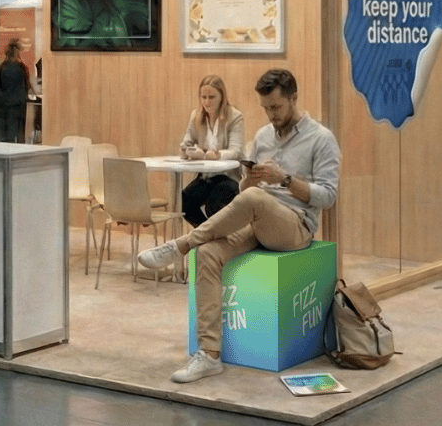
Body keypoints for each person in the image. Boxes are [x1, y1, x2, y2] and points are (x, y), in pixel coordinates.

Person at [137, 68, 340, 384]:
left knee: (255, 200)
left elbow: (327, 196)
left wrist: (284, 179)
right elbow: (245, 191)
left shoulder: (321, 139)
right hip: (257, 220)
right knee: (207, 254)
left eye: (277, 107)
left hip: (295, 226)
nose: (271, 115)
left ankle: (180, 244)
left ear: (294, 99)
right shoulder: (262, 136)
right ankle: (209, 355)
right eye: (266, 108)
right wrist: (250, 180)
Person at [179, 75, 245, 227]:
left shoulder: (234, 116)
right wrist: (191, 152)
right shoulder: (196, 115)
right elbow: (184, 146)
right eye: (204, 97)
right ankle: (208, 235)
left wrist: (218, 155)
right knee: (183, 202)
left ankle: (210, 235)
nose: (207, 102)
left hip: (229, 177)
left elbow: (236, 151)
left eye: (212, 97)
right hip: (206, 176)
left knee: (214, 205)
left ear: (222, 96)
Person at [0, 38, 31, 143]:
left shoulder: (1, 68)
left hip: (3, 109)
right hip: (17, 109)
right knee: (17, 138)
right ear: (17, 51)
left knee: (5, 140)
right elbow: (26, 87)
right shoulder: (22, 68)